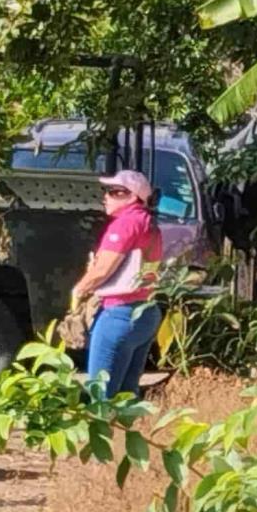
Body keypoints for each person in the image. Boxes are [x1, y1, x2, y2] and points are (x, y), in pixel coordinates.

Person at [72, 170, 163, 398]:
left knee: (100, 395)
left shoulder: (125, 224)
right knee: (127, 395)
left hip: (119, 314)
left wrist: (79, 290)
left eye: (114, 192)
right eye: (107, 191)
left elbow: (103, 269)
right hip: (146, 312)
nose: (106, 196)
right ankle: (128, 433)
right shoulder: (149, 224)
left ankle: (101, 432)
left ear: (133, 197)